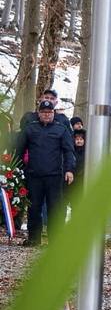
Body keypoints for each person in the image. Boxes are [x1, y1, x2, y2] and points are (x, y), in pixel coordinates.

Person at [16, 100, 76, 246]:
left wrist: (69, 170)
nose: (46, 115)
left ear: (53, 113)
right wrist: (18, 169)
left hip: (54, 176)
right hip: (34, 175)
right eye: (43, 112)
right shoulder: (30, 129)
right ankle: (33, 239)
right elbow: (19, 150)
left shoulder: (61, 129)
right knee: (34, 208)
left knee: (55, 209)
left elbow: (69, 151)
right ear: (39, 113)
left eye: (49, 112)